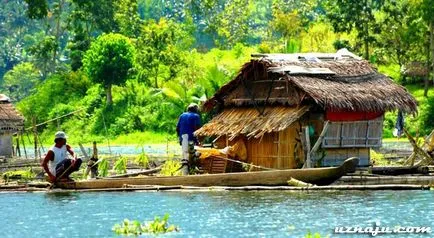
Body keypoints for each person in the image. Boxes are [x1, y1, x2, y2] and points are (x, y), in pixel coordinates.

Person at [176, 103, 201, 174]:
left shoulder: (182, 115)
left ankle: (187, 171)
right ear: (195, 110)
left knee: (185, 155)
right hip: (191, 139)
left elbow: (177, 128)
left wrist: (180, 137)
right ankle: (192, 170)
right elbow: (197, 130)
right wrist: (198, 140)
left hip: (183, 139)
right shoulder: (196, 116)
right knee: (194, 155)